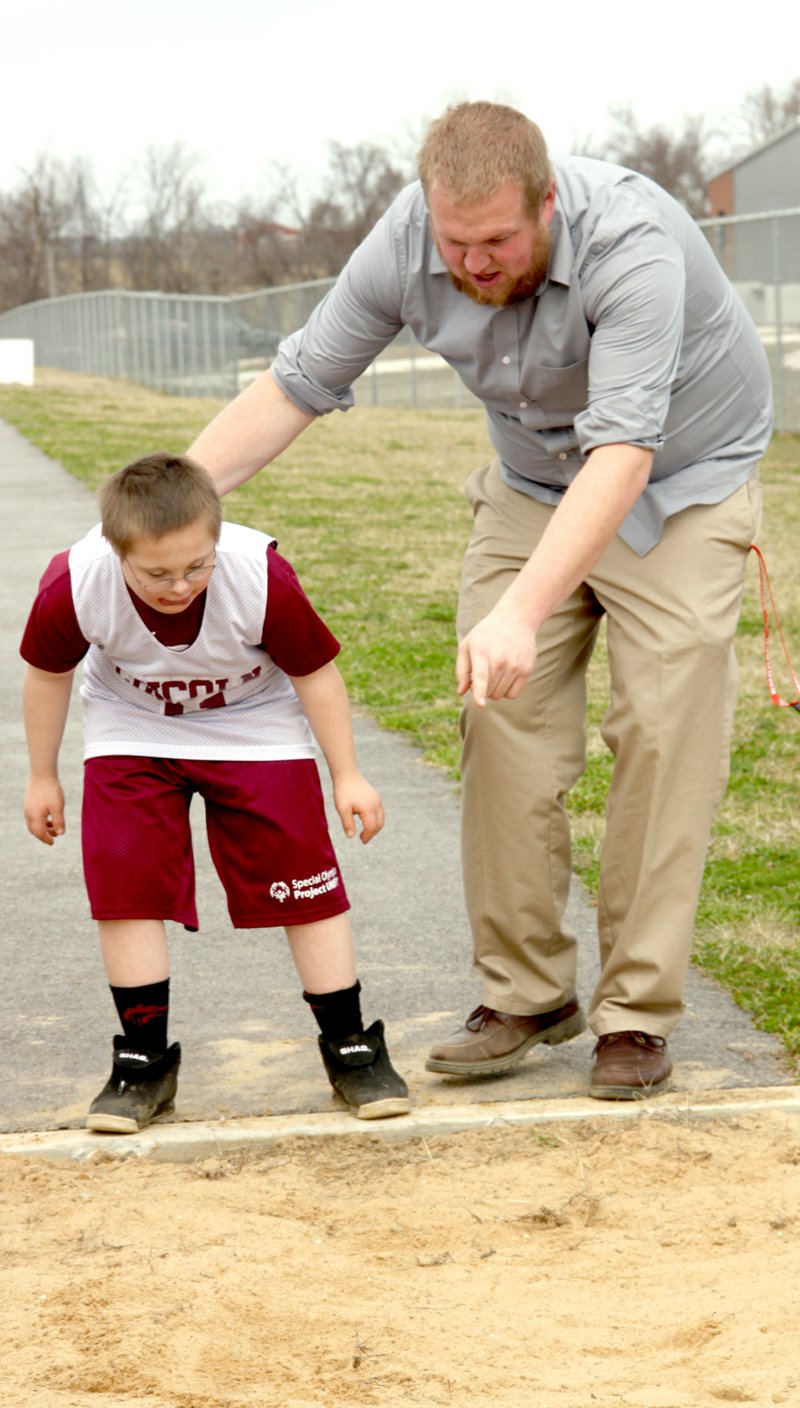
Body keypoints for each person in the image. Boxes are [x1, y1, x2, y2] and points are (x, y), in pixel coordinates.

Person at [184, 101, 773, 1100]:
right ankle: (526, 994)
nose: (476, 261)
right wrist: (158, 513)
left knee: (665, 728)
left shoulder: (632, 243)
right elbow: (296, 385)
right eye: (457, 241)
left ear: (545, 201)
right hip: (531, 482)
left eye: (499, 238)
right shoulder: (408, 240)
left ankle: (633, 1015)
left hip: (679, 483)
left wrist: (520, 609)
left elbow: (621, 454)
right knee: (495, 710)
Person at [20, 452, 410, 1131]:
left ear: (217, 538)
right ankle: (143, 1060)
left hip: (253, 724)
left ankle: (351, 1046)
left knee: (304, 884)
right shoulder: (76, 580)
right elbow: (47, 675)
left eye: (197, 565)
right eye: (157, 573)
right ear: (116, 552)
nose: (180, 585)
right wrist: (42, 774)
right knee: (127, 884)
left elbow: (316, 674)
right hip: (133, 725)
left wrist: (347, 772)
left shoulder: (259, 575)